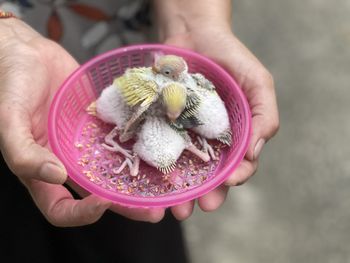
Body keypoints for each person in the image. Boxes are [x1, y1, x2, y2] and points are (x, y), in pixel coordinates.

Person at [0, 0, 279, 262]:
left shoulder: (182, 95)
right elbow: (132, 120)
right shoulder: (145, 100)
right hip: (21, 81)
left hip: (118, 40)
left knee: (131, 240)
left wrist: (193, 21)